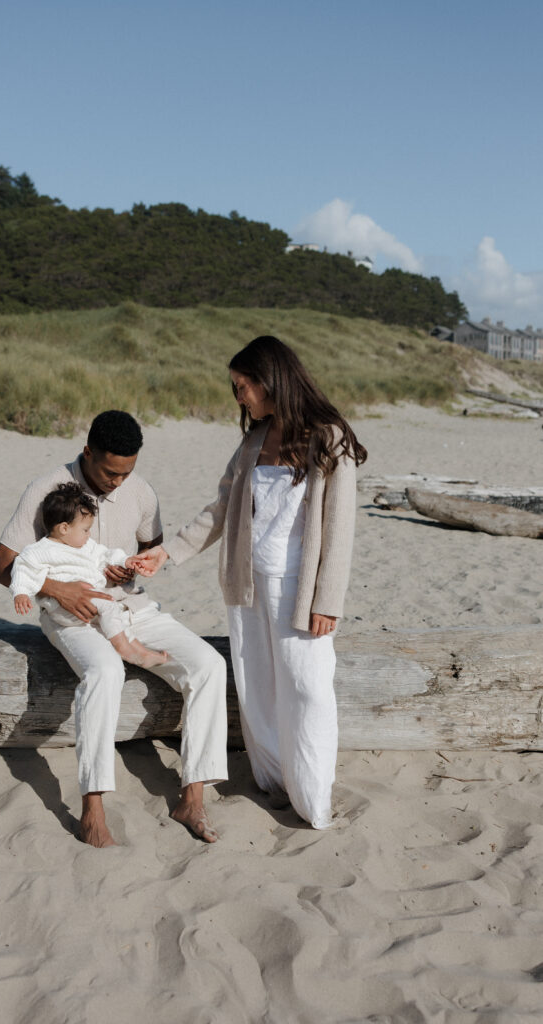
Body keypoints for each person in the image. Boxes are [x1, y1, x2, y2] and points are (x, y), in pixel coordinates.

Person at [137, 337, 367, 829]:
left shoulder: (329, 438)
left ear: (271, 380)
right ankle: (274, 781)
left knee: (308, 687)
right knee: (257, 685)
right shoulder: (252, 440)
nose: (238, 397)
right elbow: (220, 509)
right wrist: (167, 552)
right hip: (247, 585)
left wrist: (329, 601)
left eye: (243, 386)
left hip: (299, 591)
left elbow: (340, 529)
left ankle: (312, 797)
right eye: (236, 388)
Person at [0, 410, 228, 848]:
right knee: (105, 673)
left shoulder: (141, 493)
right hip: (71, 614)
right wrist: (60, 589)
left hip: (131, 607)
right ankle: (93, 807)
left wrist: (134, 567)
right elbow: (3, 566)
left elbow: (150, 553)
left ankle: (191, 798)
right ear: (87, 453)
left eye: (127, 473)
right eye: (109, 472)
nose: (118, 481)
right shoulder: (46, 488)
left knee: (210, 665)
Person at [10, 481, 169, 670]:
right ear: (64, 528)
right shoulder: (40, 550)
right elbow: (23, 568)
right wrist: (20, 592)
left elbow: (106, 554)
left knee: (113, 615)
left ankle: (139, 650)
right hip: (65, 607)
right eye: (85, 529)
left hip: (89, 606)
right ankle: (126, 649)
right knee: (110, 606)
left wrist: (125, 561)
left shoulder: (86, 546)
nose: (88, 534)